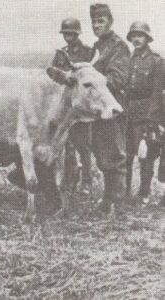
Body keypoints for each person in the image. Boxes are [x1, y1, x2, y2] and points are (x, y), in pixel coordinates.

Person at [89, 3, 130, 213]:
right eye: (94, 21)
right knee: (102, 154)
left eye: (101, 21)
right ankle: (107, 200)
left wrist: (93, 81)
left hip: (114, 108)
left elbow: (118, 79)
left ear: (110, 22)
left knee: (116, 155)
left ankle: (119, 203)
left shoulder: (118, 46)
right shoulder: (97, 47)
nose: (96, 25)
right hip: (98, 109)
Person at [51, 18, 93, 196]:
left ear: (77, 34)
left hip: (82, 105)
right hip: (67, 107)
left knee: (84, 146)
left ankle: (87, 181)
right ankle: (69, 180)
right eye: (65, 33)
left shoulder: (89, 52)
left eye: (71, 34)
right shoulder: (61, 54)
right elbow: (53, 75)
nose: (68, 37)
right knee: (66, 146)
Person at [126, 22, 165, 205]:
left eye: (140, 35)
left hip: (147, 113)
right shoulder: (129, 59)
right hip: (128, 113)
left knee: (146, 155)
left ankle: (144, 193)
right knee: (126, 153)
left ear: (147, 38)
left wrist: (152, 119)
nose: (136, 39)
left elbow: (157, 93)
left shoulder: (157, 61)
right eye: (133, 35)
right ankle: (124, 192)